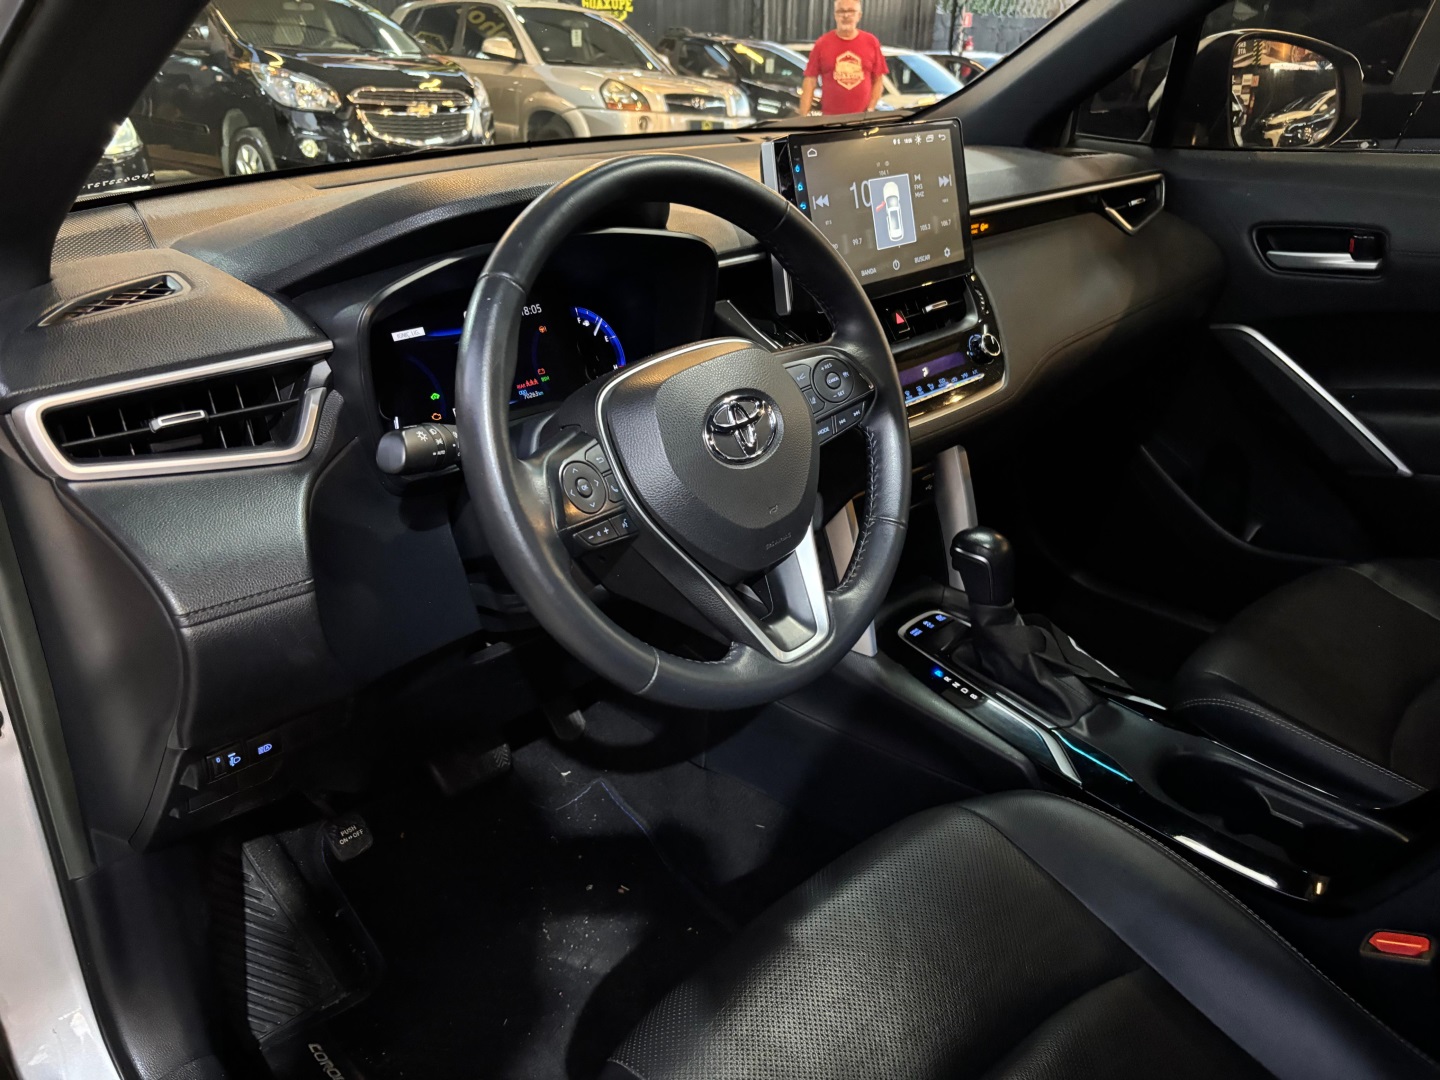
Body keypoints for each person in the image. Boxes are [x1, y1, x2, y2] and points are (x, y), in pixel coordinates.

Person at [799, 1, 888, 116]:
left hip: (862, 119)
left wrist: (870, 109)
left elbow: (878, 80)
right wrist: (803, 116)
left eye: (851, 11)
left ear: (859, 15)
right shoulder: (822, 43)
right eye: (841, 11)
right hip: (830, 119)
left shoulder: (871, 42)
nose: (846, 15)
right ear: (835, 15)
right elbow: (810, 81)